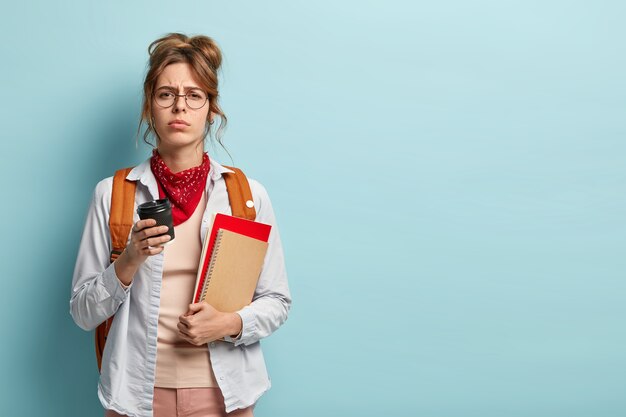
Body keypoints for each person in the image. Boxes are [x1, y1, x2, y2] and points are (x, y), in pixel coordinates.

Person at [69, 33, 291, 417]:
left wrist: (230, 323)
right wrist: (128, 262)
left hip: (224, 395)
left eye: (194, 95)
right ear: (150, 106)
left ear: (211, 108)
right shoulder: (113, 195)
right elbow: (83, 311)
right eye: (166, 94)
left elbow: (277, 301)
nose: (180, 107)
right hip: (134, 396)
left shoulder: (246, 196)